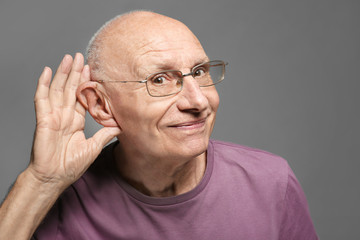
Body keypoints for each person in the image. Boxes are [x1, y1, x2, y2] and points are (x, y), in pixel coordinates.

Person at [0, 10, 318, 239]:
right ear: (100, 105)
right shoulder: (59, 201)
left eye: (200, 72)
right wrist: (41, 181)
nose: (198, 102)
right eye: (160, 79)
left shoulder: (272, 183)